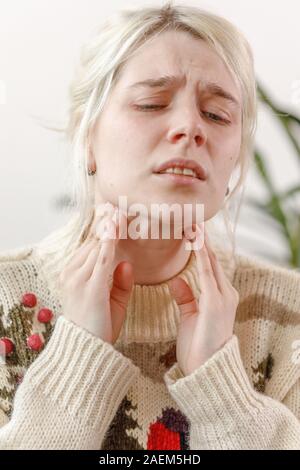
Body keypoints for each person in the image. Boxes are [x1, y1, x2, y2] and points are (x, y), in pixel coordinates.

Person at [0, 2, 299, 450]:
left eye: (217, 115)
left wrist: (220, 389)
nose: (189, 128)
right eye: (151, 103)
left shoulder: (288, 315)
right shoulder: (8, 303)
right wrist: (79, 356)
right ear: (87, 138)